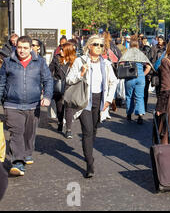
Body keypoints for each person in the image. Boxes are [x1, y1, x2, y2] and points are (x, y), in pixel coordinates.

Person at [66, 35, 118, 178]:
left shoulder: (106, 63)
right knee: (87, 131)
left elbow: (114, 81)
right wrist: (81, 73)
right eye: (96, 44)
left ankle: (88, 152)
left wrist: (108, 99)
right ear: (89, 46)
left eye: (102, 45)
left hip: (99, 99)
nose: (99, 48)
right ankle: (89, 163)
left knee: (94, 130)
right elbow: (68, 79)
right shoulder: (80, 61)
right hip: (84, 101)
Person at [0, 36, 53, 176]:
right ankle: (18, 162)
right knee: (16, 133)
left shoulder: (40, 62)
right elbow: (1, 84)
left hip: (33, 104)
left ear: (31, 48)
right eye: (19, 47)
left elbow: (48, 80)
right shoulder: (8, 62)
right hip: (12, 104)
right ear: (15, 47)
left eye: (25, 48)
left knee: (29, 133)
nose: (21, 51)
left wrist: (47, 97)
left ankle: (27, 152)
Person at [119, 39, 152, 124]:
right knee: (140, 97)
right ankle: (140, 115)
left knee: (129, 96)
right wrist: (142, 74)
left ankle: (129, 114)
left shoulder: (127, 53)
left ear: (130, 45)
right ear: (138, 45)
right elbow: (149, 67)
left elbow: (120, 64)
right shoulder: (141, 54)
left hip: (129, 77)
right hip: (140, 77)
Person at [49, 43, 77, 138]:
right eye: (60, 49)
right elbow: (49, 70)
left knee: (69, 108)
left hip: (70, 87)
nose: (60, 51)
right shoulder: (56, 59)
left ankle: (68, 130)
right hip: (59, 87)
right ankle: (60, 121)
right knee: (60, 108)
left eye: (62, 50)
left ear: (68, 51)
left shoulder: (75, 61)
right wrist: (52, 79)